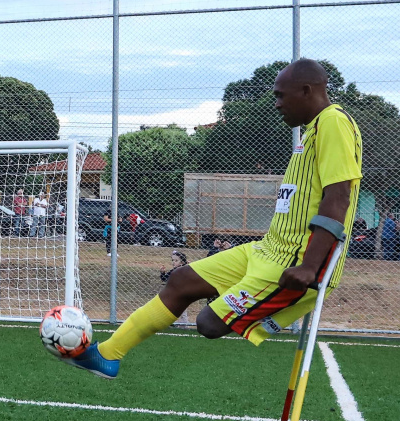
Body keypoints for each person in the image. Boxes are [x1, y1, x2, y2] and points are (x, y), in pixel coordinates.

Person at [66, 59, 363, 378]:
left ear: (306, 90)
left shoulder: (333, 122)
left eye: (280, 95)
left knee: (208, 323)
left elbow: (338, 198)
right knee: (181, 281)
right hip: (268, 250)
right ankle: (107, 355)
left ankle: (260, 309)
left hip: (294, 263)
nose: (276, 104)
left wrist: (308, 267)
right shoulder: (313, 129)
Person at [160, 250, 189, 323]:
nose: (173, 262)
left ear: (182, 262)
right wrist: (162, 273)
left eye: (176, 260)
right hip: (173, 295)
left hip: (182, 295)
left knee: (182, 312)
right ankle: (171, 323)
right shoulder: (173, 271)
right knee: (170, 310)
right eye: (173, 260)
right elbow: (164, 279)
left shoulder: (184, 270)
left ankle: (184, 325)